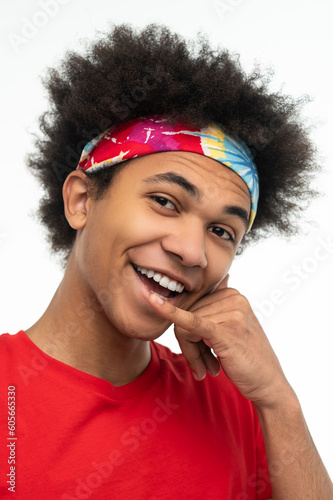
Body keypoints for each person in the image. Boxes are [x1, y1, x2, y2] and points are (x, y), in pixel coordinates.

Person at [1, 24, 332, 500]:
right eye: (165, 201)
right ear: (80, 200)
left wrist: (280, 403)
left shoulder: (242, 407)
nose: (192, 251)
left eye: (222, 231)